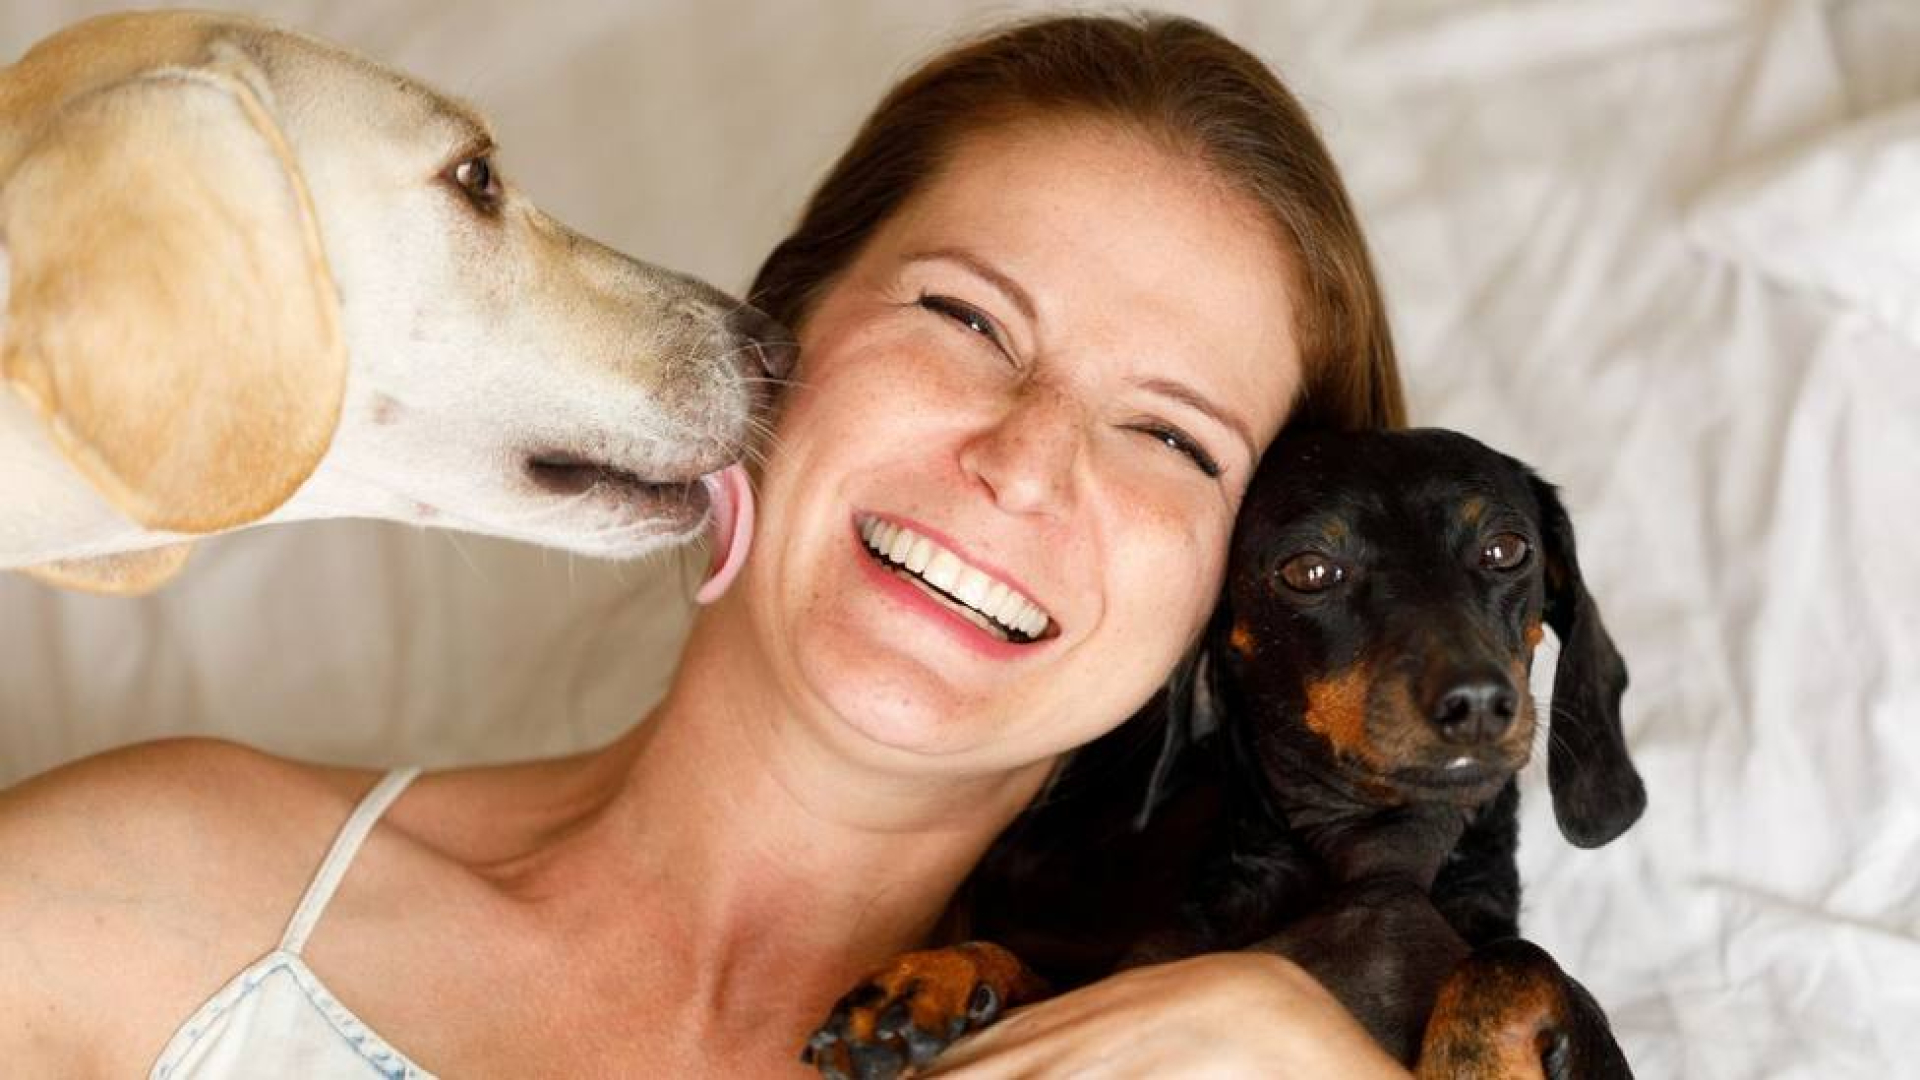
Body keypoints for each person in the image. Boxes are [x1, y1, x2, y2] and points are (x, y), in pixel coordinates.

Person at [0, 12, 1410, 1077]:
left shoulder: (1263, 1059)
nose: (1024, 463)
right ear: (784, 326)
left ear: (1250, 595)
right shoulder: (143, 894)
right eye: (966, 319)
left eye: (1173, 438)